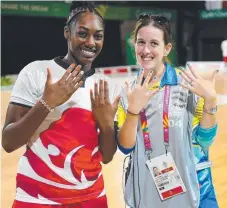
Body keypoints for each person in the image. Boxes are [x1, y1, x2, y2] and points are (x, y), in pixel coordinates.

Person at [2, 2, 120, 208]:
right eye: (83, 33)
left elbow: (107, 157)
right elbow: (9, 142)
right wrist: (46, 103)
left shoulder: (106, 86)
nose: (91, 42)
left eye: (98, 36)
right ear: (67, 32)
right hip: (36, 197)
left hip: (91, 198)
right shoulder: (37, 72)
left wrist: (107, 125)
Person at [117, 14, 219, 208]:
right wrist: (133, 112)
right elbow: (125, 147)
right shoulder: (127, 91)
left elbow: (205, 140)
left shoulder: (187, 85)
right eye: (141, 42)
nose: (146, 50)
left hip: (194, 187)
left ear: (167, 49)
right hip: (146, 191)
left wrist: (210, 102)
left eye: (154, 43)